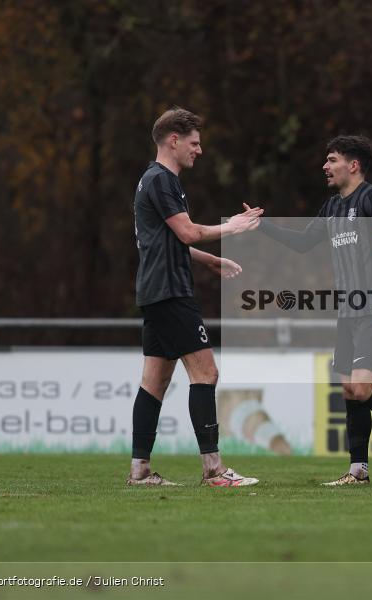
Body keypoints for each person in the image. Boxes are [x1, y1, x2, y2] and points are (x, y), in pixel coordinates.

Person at [255, 135, 372, 486]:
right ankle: (357, 471)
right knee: (349, 390)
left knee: (362, 389)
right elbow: (303, 243)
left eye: (331, 159)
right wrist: (262, 225)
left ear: (353, 165)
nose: (325, 166)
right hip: (347, 311)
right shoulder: (332, 207)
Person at [128, 107, 263, 487]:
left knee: (154, 382)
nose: (198, 150)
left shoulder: (150, 180)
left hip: (155, 291)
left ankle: (139, 471)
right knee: (206, 372)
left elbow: (168, 241)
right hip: (171, 292)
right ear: (174, 140)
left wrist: (209, 260)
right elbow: (186, 233)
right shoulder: (162, 179)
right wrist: (230, 227)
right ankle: (214, 471)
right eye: (194, 142)